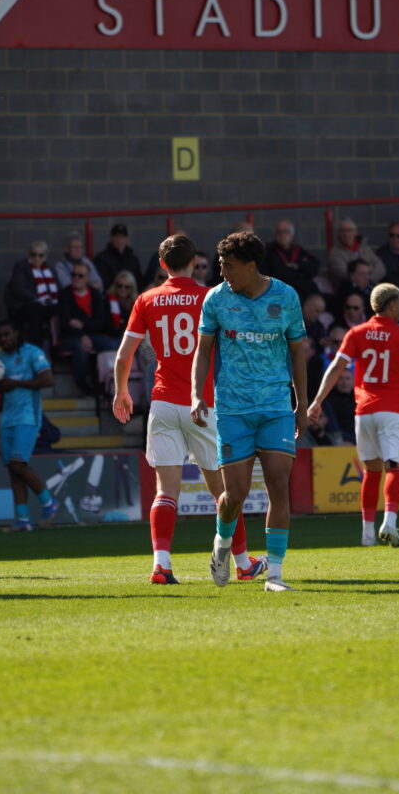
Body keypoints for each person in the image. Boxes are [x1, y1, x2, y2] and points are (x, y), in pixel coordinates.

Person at [112, 234, 267, 584]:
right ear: (195, 262)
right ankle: (242, 563)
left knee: (166, 491)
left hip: (163, 402)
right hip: (203, 404)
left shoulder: (146, 299)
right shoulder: (210, 297)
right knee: (223, 492)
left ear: (162, 264)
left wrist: (121, 393)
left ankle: (161, 565)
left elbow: (124, 355)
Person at [192, 231, 307, 592]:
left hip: (275, 407)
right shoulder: (215, 299)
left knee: (278, 486)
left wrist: (301, 404)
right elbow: (204, 351)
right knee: (234, 496)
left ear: (251, 266)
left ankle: (274, 574)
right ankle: (222, 545)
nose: (222, 271)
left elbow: (298, 353)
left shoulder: (286, 297)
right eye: (220, 264)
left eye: (228, 265)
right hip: (233, 409)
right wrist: (198, 394)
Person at [308, 283, 399, 547]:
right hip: (392, 411)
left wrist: (317, 401)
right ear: (391, 306)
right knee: (396, 466)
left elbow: (336, 367)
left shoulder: (356, 333)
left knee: (371, 471)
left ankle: (367, 534)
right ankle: (389, 522)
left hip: (364, 412)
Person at [0, 320, 59, 531]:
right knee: (12, 470)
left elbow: (48, 380)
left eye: (7, 334)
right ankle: (23, 520)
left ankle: (49, 503)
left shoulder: (32, 352)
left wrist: (16, 383)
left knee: (18, 464)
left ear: (16, 333)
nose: (4, 339)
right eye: (0, 336)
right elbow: (1, 385)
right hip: (7, 418)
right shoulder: (0, 357)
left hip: (28, 417)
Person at [57, 260, 119, 396]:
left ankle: (106, 382)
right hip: (70, 337)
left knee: (113, 344)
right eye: (73, 275)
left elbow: (100, 322)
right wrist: (82, 334)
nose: (76, 278)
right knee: (80, 347)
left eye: (80, 275)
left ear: (88, 278)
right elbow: (65, 324)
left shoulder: (95, 294)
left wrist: (82, 324)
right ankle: (81, 381)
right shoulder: (64, 295)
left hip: (91, 335)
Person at [5, 241, 58, 348]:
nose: (37, 258)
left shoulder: (50, 269)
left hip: (46, 305)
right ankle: (35, 347)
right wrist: (38, 299)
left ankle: (56, 347)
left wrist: (50, 300)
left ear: (45, 256)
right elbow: (19, 289)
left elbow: (58, 288)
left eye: (40, 255)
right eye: (33, 254)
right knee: (37, 309)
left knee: (61, 309)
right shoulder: (21, 267)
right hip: (23, 306)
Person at [262, 219, 320, 299]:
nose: (282, 235)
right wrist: (298, 271)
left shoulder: (298, 250)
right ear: (275, 234)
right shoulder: (268, 251)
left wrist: (298, 265)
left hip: (303, 288)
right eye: (279, 232)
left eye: (286, 232)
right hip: (281, 292)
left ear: (292, 235)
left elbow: (314, 266)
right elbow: (276, 272)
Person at [326, 217, 384, 288]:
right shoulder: (334, 253)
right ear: (339, 234)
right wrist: (369, 268)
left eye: (349, 230)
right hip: (348, 291)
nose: (346, 234)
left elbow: (381, 268)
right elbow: (345, 275)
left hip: (371, 288)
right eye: (342, 231)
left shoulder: (364, 247)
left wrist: (368, 281)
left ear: (355, 232)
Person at [94, 223, 143, 290]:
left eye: (123, 237)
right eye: (116, 236)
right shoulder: (101, 259)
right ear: (111, 238)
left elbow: (139, 282)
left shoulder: (133, 259)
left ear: (127, 239)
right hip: (110, 298)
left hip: (131, 298)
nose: (119, 240)